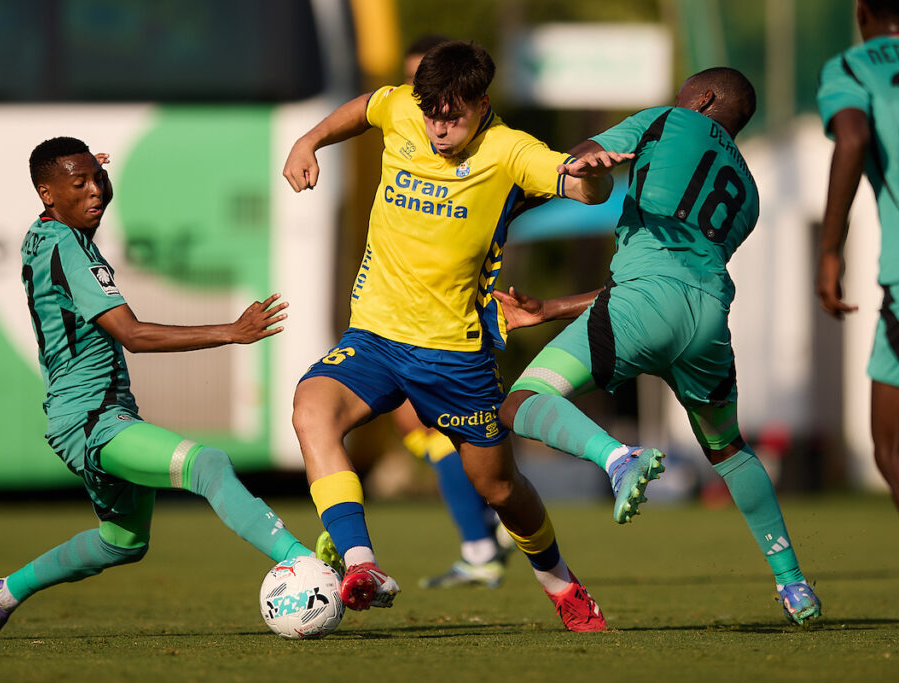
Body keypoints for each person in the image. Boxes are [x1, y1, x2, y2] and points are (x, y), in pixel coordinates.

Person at [283, 40, 631, 631]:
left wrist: (594, 179)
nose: (440, 126)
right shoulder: (402, 109)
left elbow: (579, 187)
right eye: (431, 113)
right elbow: (368, 105)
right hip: (375, 335)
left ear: (481, 103)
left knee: (497, 487)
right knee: (311, 408)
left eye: (454, 114)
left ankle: (562, 584)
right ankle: (362, 566)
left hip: (454, 356)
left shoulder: (510, 151)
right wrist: (307, 140)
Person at [0, 137, 338, 640]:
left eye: (97, 180)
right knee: (208, 464)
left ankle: (4, 592)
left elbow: (92, 200)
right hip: (94, 421)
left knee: (122, 543)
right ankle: (307, 567)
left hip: (80, 417)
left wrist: (92, 177)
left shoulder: (45, 233)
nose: (95, 192)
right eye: (81, 185)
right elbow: (133, 335)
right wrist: (230, 331)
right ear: (47, 193)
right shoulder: (69, 249)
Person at [495, 67, 823, 626]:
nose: (676, 98)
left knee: (522, 402)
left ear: (706, 98)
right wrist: (550, 309)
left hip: (642, 307)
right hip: (706, 322)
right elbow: (674, 277)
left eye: (684, 91)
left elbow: (575, 165)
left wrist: (540, 187)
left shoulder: (666, 120)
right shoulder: (748, 191)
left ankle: (618, 459)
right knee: (728, 451)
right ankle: (794, 584)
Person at [391, 33, 512, 590]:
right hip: (411, 307)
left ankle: (485, 536)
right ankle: (488, 528)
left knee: (445, 425)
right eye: (419, 91)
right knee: (427, 424)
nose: (429, 106)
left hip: (457, 311)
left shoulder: (492, 147)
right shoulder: (414, 131)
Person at [816, 0, 899, 511]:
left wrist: (829, 250)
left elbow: (851, 137)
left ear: (861, 11)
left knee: (891, 448)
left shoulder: (850, 67)